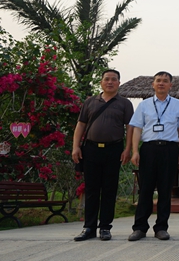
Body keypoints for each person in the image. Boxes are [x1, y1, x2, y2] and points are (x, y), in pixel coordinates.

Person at [72, 69, 134, 241]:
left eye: (114, 79)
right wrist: (75, 147)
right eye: (107, 79)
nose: (110, 82)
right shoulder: (90, 102)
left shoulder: (125, 103)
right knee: (91, 189)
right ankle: (89, 228)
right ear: (101, 82)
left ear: (119, 83)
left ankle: (105, 227)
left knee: (109, 189)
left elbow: (130, 127)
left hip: (114, 149)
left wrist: (127, 149)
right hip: (91, 149)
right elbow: (81, 125)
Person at [128, 72, 179, 241]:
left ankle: (161, 227)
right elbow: (137, 129)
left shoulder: (178, 104)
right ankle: (139, 228)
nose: (161, 83)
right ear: (153, 84)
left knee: (165, 190)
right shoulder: (144, 105)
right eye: (158, 81)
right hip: (149, 149)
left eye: (165, 81)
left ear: (171, 85)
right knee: (145, 190)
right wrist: (135, 151)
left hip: (170, 149)